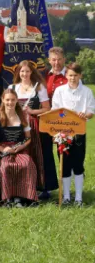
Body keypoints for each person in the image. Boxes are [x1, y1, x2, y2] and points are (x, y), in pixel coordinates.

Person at [8, 60, 54, 199]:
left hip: (35, 125)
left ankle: (43, 187)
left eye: (27, 71)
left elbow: (47, 108)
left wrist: (32, 111)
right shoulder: (12, 87)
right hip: (18, 126)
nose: (25, 74)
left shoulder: (39, 87)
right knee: (22, 154)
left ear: (32, 72)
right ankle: (22, 187)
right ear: (18, 73)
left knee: (38, 154)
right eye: (22, 71)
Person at [51, 63, 94, 206]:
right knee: (64, 165)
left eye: (75, 75)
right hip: (62, 133)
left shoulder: (87, 92)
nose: (73, 78)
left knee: (78, 164)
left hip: (79, 133)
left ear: (80, 75)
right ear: (66, 75)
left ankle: (79, 198)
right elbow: (55, 110)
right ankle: (67, 196)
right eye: (70, 75)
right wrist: (63, 115)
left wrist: (85, 114)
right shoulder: (60, 91)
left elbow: (91, 112)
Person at [0, 89, 37, 207]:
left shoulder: (23, 116)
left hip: (19, 149)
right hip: (3, 150)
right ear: (2, 100)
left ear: (17, 100)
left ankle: (22, 197)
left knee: (26, 163)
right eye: (7, 100)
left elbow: (28, 138)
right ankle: (7, 198)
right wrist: (3, 149)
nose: (10, 102)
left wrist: (20, 147)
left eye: (13, 100)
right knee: (6, 165)